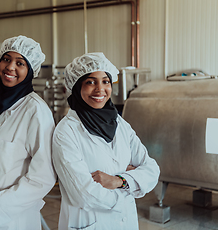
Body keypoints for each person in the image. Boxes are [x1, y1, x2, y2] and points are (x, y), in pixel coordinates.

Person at [52, 52, 160, 230]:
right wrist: (131, 188)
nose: (100, 89)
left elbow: (152, 170)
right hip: (90, 222)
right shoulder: (66, 131)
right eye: (90, 82)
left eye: (105, 81)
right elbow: (84, 195)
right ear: (77, 86)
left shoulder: (120, 123)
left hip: (126, 223)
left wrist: (119, 181)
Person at [0, 35, 56, 230]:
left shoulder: (35, 110)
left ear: (30, 71)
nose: (10, 67)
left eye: (20, 63)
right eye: (6, 59)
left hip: (12, 217)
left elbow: (44, 176)